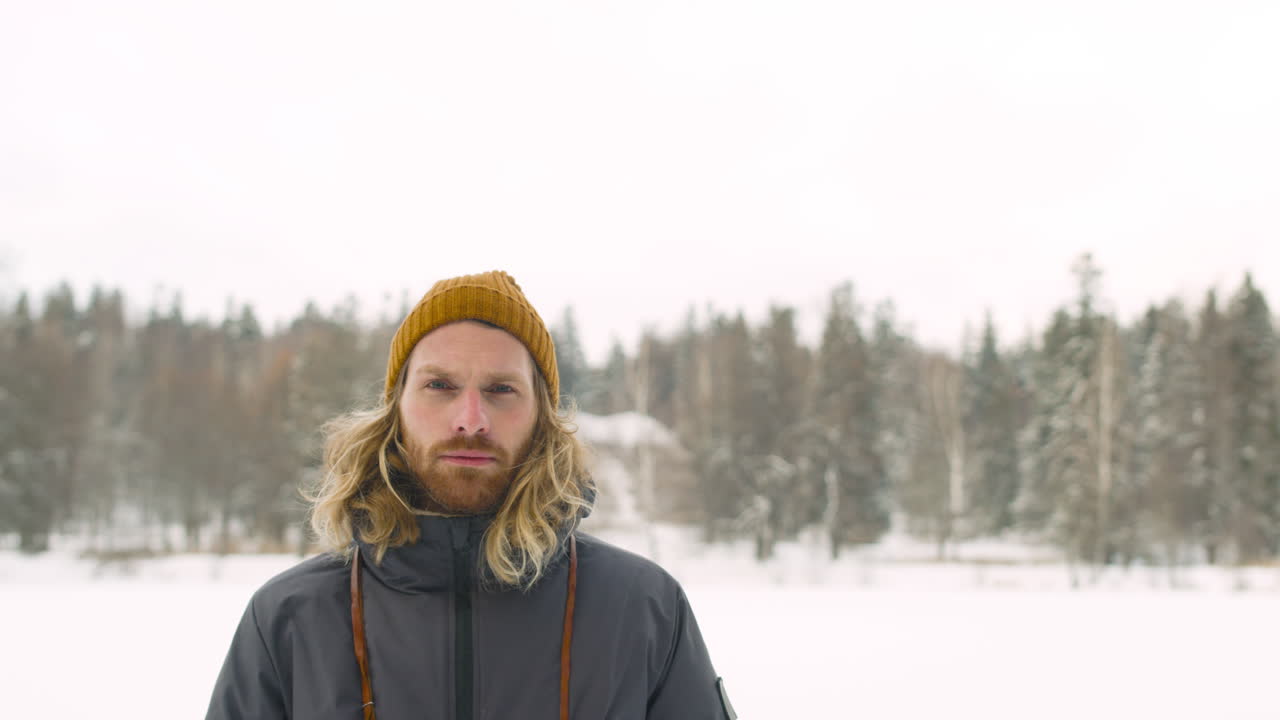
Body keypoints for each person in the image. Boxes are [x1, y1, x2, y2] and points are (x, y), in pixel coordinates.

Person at [205, 270, 736, 720]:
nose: (470, 420)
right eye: (440, 386)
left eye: (501, 390)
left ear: (542, 418)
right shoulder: (290, 618)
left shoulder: (642, 610)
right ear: (395, 408)